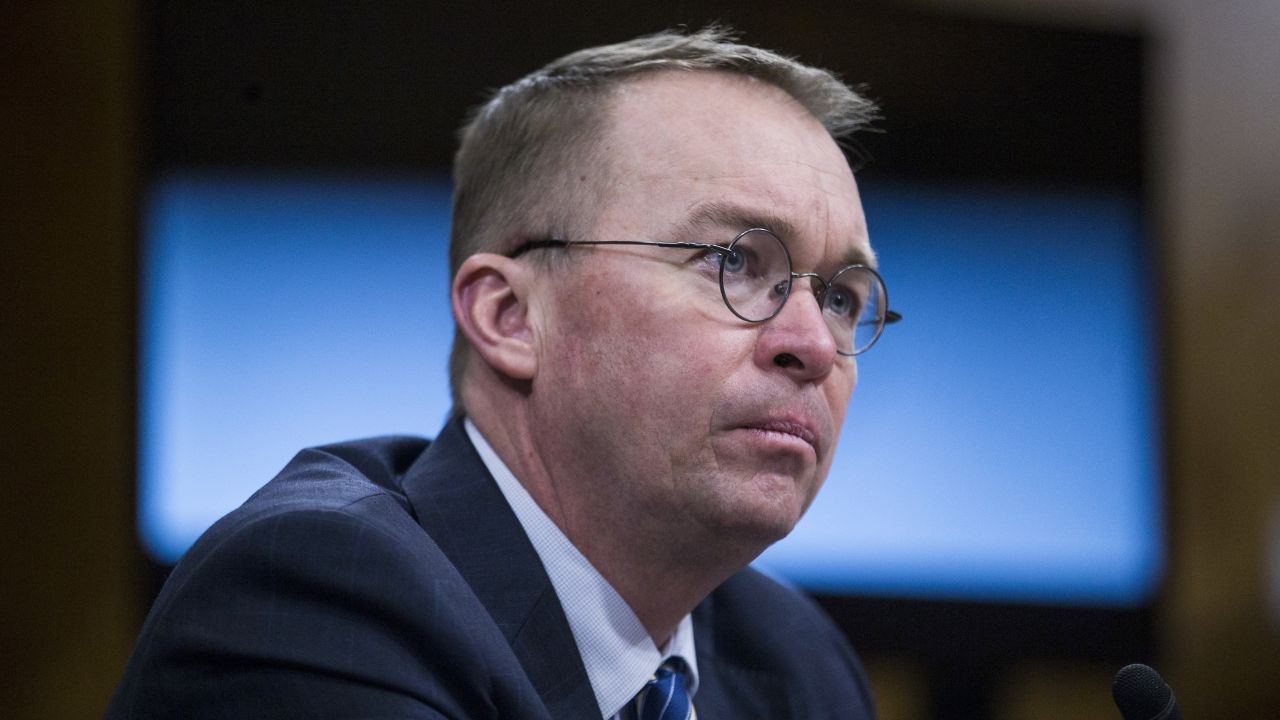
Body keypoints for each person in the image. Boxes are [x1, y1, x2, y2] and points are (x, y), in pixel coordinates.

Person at [106, 26, 895, 719]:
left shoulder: (796, 663)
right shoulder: (320, 599)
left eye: (840, 296)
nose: (814, 345)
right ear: (509, 317)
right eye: (735, 261)